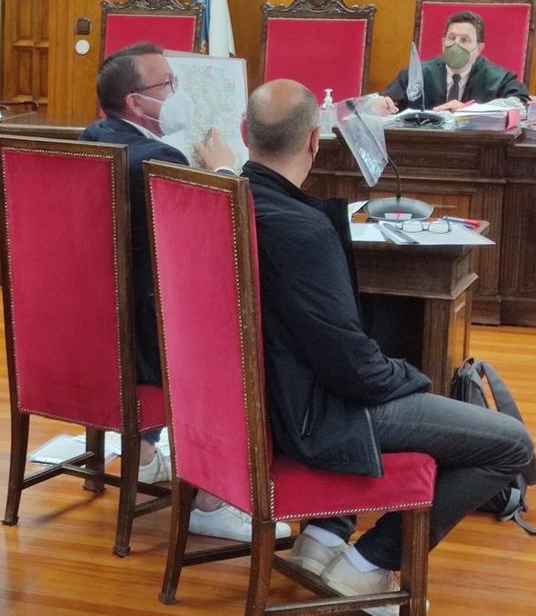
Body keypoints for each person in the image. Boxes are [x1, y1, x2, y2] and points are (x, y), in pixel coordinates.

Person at [242, 78, 534, 610]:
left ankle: (324, 535)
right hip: (316, 416)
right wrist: (416, 377)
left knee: (390, 334)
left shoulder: (228, 202)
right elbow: (355, 373)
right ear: (315, 140)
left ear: (245, 134)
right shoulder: (300, 231)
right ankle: (370, 562)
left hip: (264, 405)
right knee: (511, 442)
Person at [81, 42, 284, 543]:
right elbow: (210, 239)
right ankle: (215, 502)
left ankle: (146, 454)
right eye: (168, 84)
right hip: (147, 336)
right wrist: (219, 172)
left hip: (96, 328)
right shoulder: (156, 156)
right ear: (136, 103)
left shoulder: (92, 137)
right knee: (245, 334)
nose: (178, 92)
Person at [382, 10, 531, 112]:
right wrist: (381, 104)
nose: (456, 45)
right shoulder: (419, 73)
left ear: (479, 48)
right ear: (443, 42)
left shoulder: (497, 78)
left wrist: (470, 110)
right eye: (452, 38)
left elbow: (521, 104)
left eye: (464, 40)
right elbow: (389, 100)